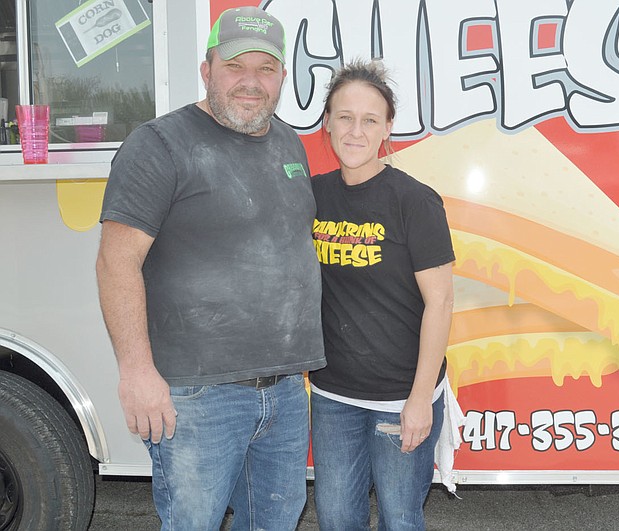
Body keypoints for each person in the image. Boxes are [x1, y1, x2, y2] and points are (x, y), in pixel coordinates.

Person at [95, 7, 325, 530]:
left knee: (275, 523)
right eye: (234, 65)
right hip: (196, 398)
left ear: (283, 78)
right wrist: (136, 371)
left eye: (266, 69)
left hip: (285, 392)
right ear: (206, 70)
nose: (251, 81)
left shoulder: (288, 143)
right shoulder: (159, 145)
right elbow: (116, 262)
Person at [309, 60, 455, 530]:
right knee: (336, 520)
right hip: (333, 394)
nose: (355, 131)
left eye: (370, 119)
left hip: (400, 396)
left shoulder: (415, 200)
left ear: (388, 127)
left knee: (399, 518)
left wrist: (418, 401)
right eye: (344, 117)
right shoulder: (311, 196)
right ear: (327, 122)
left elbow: (441, 302)